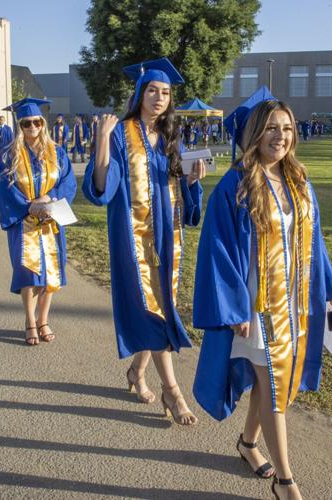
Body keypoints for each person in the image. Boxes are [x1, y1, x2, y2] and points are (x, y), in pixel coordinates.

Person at [192, 86, 332, 500]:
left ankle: (246, 443)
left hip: (297, 303)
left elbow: (315, 242)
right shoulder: (236, 185)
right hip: (259, 307)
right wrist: (234, 307)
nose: (281, 136)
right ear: (255, 134)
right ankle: (286, 481)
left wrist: (330, 291)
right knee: (277, 388)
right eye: (272, 129)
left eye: (287, 128)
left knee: (274, 385)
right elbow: (219, 251)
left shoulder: (298, 180)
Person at [82, 57, 205, 425]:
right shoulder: (121, 132)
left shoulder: (171, 135)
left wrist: (194, 180)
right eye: (153, 90)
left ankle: (137, 372)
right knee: (156, 309)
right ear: (139, 93)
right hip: (134, 238)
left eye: (166, 92)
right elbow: (104, 183)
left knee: (161, 304)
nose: (159, 97)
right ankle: (173, 391)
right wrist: (102, 141)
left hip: (169, 234)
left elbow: (179, 183)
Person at [0, 98, 77, 345]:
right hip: (24, 223)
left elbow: (68, 182)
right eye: (26, 123)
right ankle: (30, 321)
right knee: (30, 274)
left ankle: (43, 320)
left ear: (43, 124)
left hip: (50, 221)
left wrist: (50, 198)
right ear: (19, 126)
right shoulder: (8, 155)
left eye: (37, 122)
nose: (32, 127)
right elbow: (6, 189)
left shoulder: (58, 152)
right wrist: (31, 205)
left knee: (50, 275)